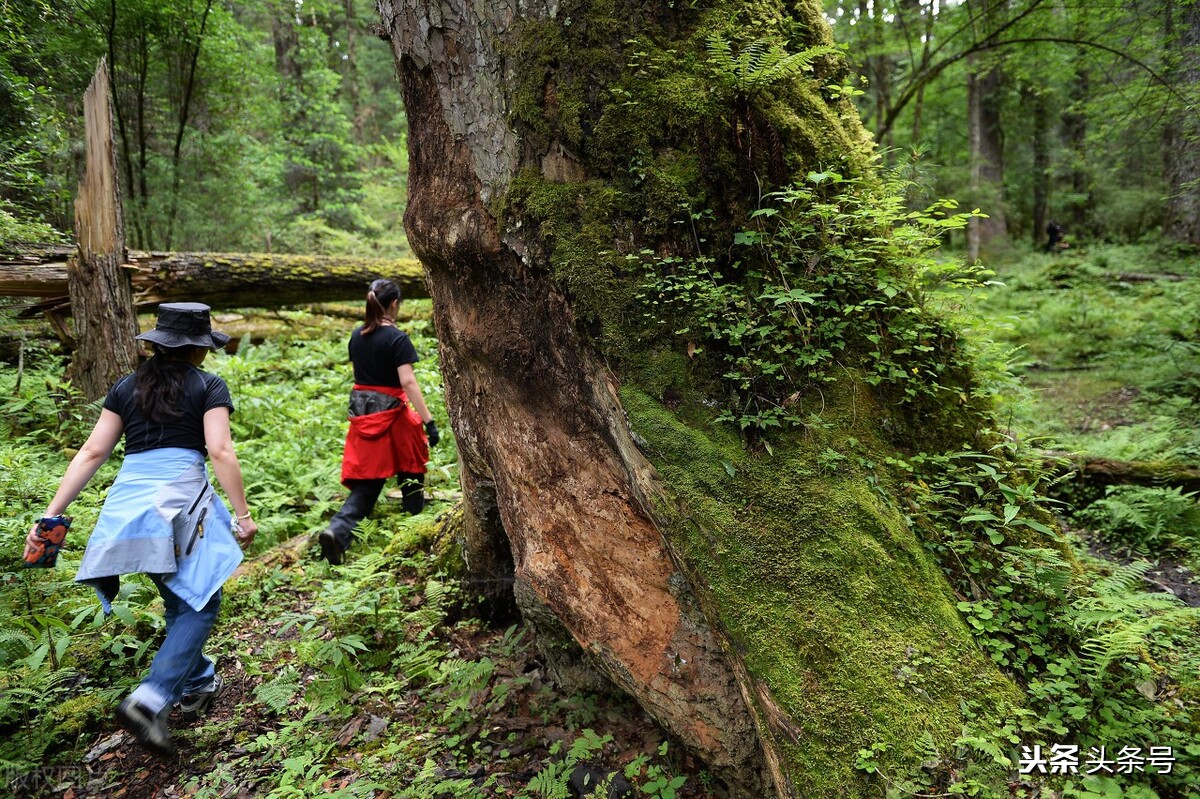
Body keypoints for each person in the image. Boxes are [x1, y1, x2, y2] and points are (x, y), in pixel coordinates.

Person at [23, 302, 258, 756]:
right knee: (202, 603)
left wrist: (50, 516)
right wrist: (242, 515)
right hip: (177, 506)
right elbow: (221, 450)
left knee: (180, 595)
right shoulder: (207, 385)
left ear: (158, 344)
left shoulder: (126, 387)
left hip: (126, 511)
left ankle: (198, 682)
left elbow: (93, 452)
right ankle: (149, 700)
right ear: (198, 349)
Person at [318, 278, 439, 565]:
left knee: (368, 483)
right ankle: (417, 534)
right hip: (395, 416)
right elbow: (407, 381)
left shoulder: (356, 336)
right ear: (394, 304)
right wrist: (429, 421)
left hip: (364, 414)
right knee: (411, 472)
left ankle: (338, 531)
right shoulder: (397, 338)